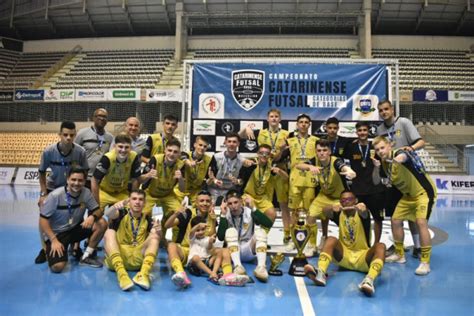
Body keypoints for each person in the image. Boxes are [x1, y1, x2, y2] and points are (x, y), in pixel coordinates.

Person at [372, 136, 436, 275]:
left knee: (421, 222)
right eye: (377, 150)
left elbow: (404, 156)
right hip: (408, 196)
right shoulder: (383, 163)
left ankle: (425, 262)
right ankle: (400, 255)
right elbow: (377, 182)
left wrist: (398, 159)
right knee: (395, 220)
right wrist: (377, 168)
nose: (380, 151)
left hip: (423, 193)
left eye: (382, 147)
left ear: (389, 146)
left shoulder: (398, 153)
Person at [304, 190, 386, 297]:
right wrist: (332, 207)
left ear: (355, 200)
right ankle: (321, 273)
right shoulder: (339, 214)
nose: (346, 202)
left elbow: (364, 213)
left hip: (362, 258)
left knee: (381, 246)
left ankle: (369, 280)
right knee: (331, 239)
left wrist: (363, 208)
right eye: (343, 200)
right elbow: (324, 211)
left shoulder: (362, 214)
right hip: (344, 256)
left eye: (349, 199)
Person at [165, 191, 246, 288]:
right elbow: (167, 225)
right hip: (187, 250)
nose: (205, 203)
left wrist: (213, 220)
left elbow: (211, 239)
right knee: (171, 245)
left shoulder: (212, 216)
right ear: (196, 202)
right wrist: (176, 213)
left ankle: (228, 276)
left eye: (207, 201)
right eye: (202, 201)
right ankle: (181, 274)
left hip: (205, 252)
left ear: (211, 202)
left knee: (224, 250)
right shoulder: (188, 213)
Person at [376, 99, 426, 258]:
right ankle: (399, 248)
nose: (384, 112)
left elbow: (421, 142)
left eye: (386, 109)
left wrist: (409, 149)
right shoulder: (379, 129)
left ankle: (418, 247)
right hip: (393, 178)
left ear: (392, 109)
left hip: (408, 175)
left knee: (412, 217)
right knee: (394, 217)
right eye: (381, 110)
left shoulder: (403, 122)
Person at [36, 121, 89, 264]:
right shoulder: (48, 151)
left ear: (75, 135)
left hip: (73, 188)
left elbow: (85, 170)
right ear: (59, 134)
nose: (68, 138)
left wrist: (80, 187)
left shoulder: (80, 151)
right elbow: (41, 172)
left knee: (78, 214)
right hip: (54, 187)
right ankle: (44, 248)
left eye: (71, 135)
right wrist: (43, 194)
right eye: (65, 135)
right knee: (44, 214)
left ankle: (76, 247)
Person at [39, 168, 107, 272]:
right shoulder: (55, 195)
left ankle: (86, 257)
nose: (76, 183)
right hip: (57, 234)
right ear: (67, 180)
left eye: (80, 180)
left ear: (84, 181)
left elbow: (98, 210)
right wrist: (53, 240)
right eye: (73, 179)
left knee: (101, 223)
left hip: (75, 229)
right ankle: (53, 251)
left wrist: (92, 216)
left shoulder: (86, 193)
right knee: (57, 267)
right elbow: (43, 220)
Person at [296, 139, 356, 256]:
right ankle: (312, 246)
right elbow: (299, 165)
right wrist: (309, 167)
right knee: (311, 215)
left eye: (324, 150)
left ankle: (348, 245)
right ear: (316, 152)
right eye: (319, 150)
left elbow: (343, 167)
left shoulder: (335, 161)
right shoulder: (315, 161)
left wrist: (349, 171)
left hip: (339, 198)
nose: (322, 153)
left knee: (345, 220)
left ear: (329, 152)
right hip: (323, 196)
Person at [239, 109, 291, 244]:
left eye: (276, 116)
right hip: (263, 166)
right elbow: (240, 136)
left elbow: (291, 151)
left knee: (283, 204)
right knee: (259, 195)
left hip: (278, 168)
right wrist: (246, 129)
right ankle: (250, 235)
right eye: (271, 116)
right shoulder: (261, 132)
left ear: (280, 119)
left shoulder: (287, 134)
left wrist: (283, 147)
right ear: (267, 119)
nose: (274, 119)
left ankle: (287, 234)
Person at [103, 189, 161, 291]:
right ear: (129, 201)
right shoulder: (121, 213)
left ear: (144, 203)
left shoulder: (148, 218)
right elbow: (108, 214)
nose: (137, 202)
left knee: (155, 236)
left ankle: (143, 274)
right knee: (109, 232)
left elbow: (156, 237)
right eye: (134, 199)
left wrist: (159, 230)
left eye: (140, 199)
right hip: (120, 256)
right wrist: (114, 206)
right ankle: (122, 274)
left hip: (139, 258)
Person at [279, 113, 319, 249]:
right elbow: (278, 158)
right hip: (294, 180)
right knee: (294, 212)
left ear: (309, 125)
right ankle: (293, 240)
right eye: (301, 122)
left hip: (310, 180)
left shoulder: (316, 140)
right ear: (297, 124)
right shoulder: (289, 141)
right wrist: (280, 149)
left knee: (310, 212)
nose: (303, 124)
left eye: (306, 122)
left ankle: (310, 241)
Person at [217, 190, 273, 283]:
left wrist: (254, 208)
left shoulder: (249, 212)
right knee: (231, 231)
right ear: (226, 204)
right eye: (230, 203)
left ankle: (261, 268)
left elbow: (268, 224)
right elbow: (220, 237)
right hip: (233, 252)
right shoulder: (226, 214)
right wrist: (222, 215)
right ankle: (238, 267)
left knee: (261, 232)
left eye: (236, 202)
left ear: (241, 201)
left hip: (248, 248)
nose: (233, 206)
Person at [343, 122, 386, 243]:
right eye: (360, 130)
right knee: (360, 218)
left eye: (365, 130)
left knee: (378, 219)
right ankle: (362, 243)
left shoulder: (374, 147)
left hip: (375, 190)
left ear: (368, 131)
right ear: (356, 132)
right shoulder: (351, 147)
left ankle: (376, 244)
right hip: (358, 190)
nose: (362, 132)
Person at [140, 139, 185, 240]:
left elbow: (182, 189)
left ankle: (176, 242)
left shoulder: (181, 165)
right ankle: (141, 239)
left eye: (175, 152)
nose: (172, 154)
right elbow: (141, 181)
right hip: (151, 195)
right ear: (165, 150)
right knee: (141, 214)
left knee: (182, 214)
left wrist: (181, 179)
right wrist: (148, 175)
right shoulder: (155, 160)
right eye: (169, 150)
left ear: (179, 154)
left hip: (168, 196)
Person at [186, 216, 248, 286]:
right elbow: (191, 232)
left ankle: (220, 273)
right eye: (198, 230)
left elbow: (209, 249)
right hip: (194, 265)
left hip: (206, 262)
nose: (200, 232)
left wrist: (210, 242)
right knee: (195, 257)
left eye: (202, 229)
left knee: (220, 251)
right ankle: (212, 273)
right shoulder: (192, 238)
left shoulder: (207, 238)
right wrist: (198, 225)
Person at [239, 144, 289, 228]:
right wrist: (238, 179)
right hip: (249, 196)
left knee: (272, 214)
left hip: (263, 198)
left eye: (267, 153)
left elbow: (286, 177)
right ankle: (244, 234)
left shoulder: (272, 166)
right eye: (261, 153)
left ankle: (262, 235)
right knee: (245, 212)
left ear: (270, 155)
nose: (264, 155)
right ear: (257, 153)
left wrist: (280, 171)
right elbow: (240, 180)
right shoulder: (251, 164)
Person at [91, 134, 141, 211]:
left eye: (126, 147)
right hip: (105, 192)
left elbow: (135, 180)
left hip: (122, 193)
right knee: (95, 214)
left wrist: (133, 198)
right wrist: (97, 204)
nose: (123, 150)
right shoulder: (107, 158)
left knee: (134, 211)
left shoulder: (133, 157)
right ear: (114, 147)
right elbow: (94, 180)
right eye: (120, 147)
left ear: (130, 148)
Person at [75, 108, 114, 188]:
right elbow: (74, 153)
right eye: (99, 116)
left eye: (105, 117)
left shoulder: (110, 138)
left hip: (101, 178)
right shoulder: (82, 133)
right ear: (93, 118)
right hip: (84, 178)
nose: (102, 118)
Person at [207, 132, 248, 204]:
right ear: (225, 142)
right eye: (229, 141)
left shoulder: (242, 160)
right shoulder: (216, 157)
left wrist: (237, 181)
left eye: (234, 142)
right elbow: (209, 178)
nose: (231, 144)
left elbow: (243, 181)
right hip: (214, 189)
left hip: (231, 191)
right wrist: (214, 180)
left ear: (238, 144)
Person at [175, 136, 213, 205]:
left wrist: (211, 179)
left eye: (205, 146)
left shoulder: (209, 160)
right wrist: (190, 163)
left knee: (201, 208)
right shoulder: (185, 154)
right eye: (200, 145)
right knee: (175, 209)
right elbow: (184, 158)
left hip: (196, 190)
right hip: (181, 188)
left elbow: (208, 182)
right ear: (195, 145)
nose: (202, 148)